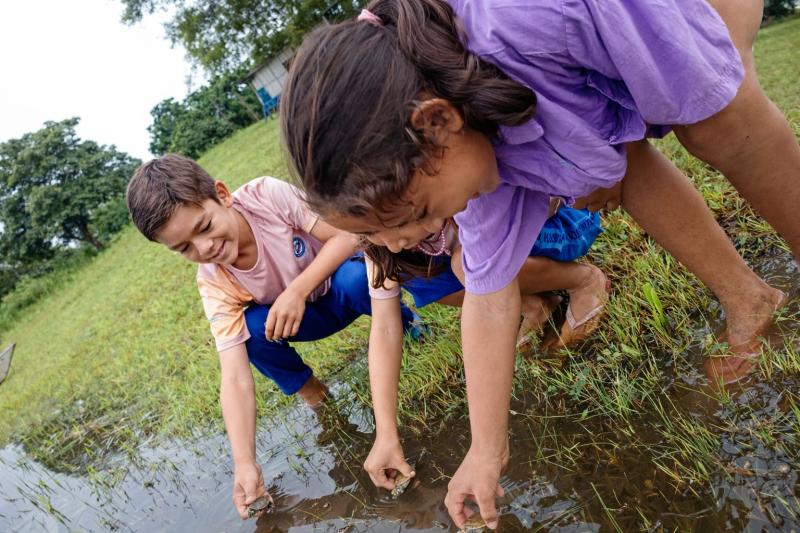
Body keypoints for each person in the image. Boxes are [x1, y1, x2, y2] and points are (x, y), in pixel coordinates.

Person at [279, 0, 795, 528]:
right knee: (624, 163)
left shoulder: (520, 18)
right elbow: (489, 292)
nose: (421, 236)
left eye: (419, 212)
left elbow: (730, 113)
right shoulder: (450, 135)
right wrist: (485, 450)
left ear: (436, 121)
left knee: (714, 119)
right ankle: (751, 300)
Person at [125, 154, 424, 520]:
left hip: (342, 287)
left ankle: (410, 325)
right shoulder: (213, 281)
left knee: (360, 279)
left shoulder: (266, 196)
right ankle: (316, 396)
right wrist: (244, 463)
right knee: (248, 332)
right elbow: (234, 377)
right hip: (304, 320)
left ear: (222, 195)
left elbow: (347, 236)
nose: (203, 249)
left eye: (204, 227)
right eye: (184, 248)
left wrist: (297, 290)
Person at [361, 206, 608, 491]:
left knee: (464, 261)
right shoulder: (384, 245)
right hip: (497, 252)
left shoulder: (458, 197)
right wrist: (385, 433)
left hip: (561, 223)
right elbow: (384, 327)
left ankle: (582, 280)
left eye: (397, 225)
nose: (392, 243)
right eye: (373, 234)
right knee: (416, 275)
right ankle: (534, 302)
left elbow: (539, 206)